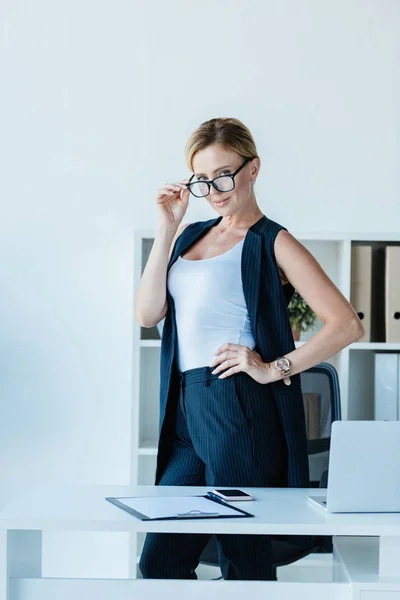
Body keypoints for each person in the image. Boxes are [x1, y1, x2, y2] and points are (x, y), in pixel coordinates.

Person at [135, 117, 364, 580]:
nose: (214, 189)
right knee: (160, 561)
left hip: (233, 403)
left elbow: (345, 325)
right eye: (202, 180)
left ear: (253, 168)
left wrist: (272, 368)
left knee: (245, 561)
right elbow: (147, 314)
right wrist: (166, 228)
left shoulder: (271, 241)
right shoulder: (189, 237)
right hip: (182, 405)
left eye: (224, 175)